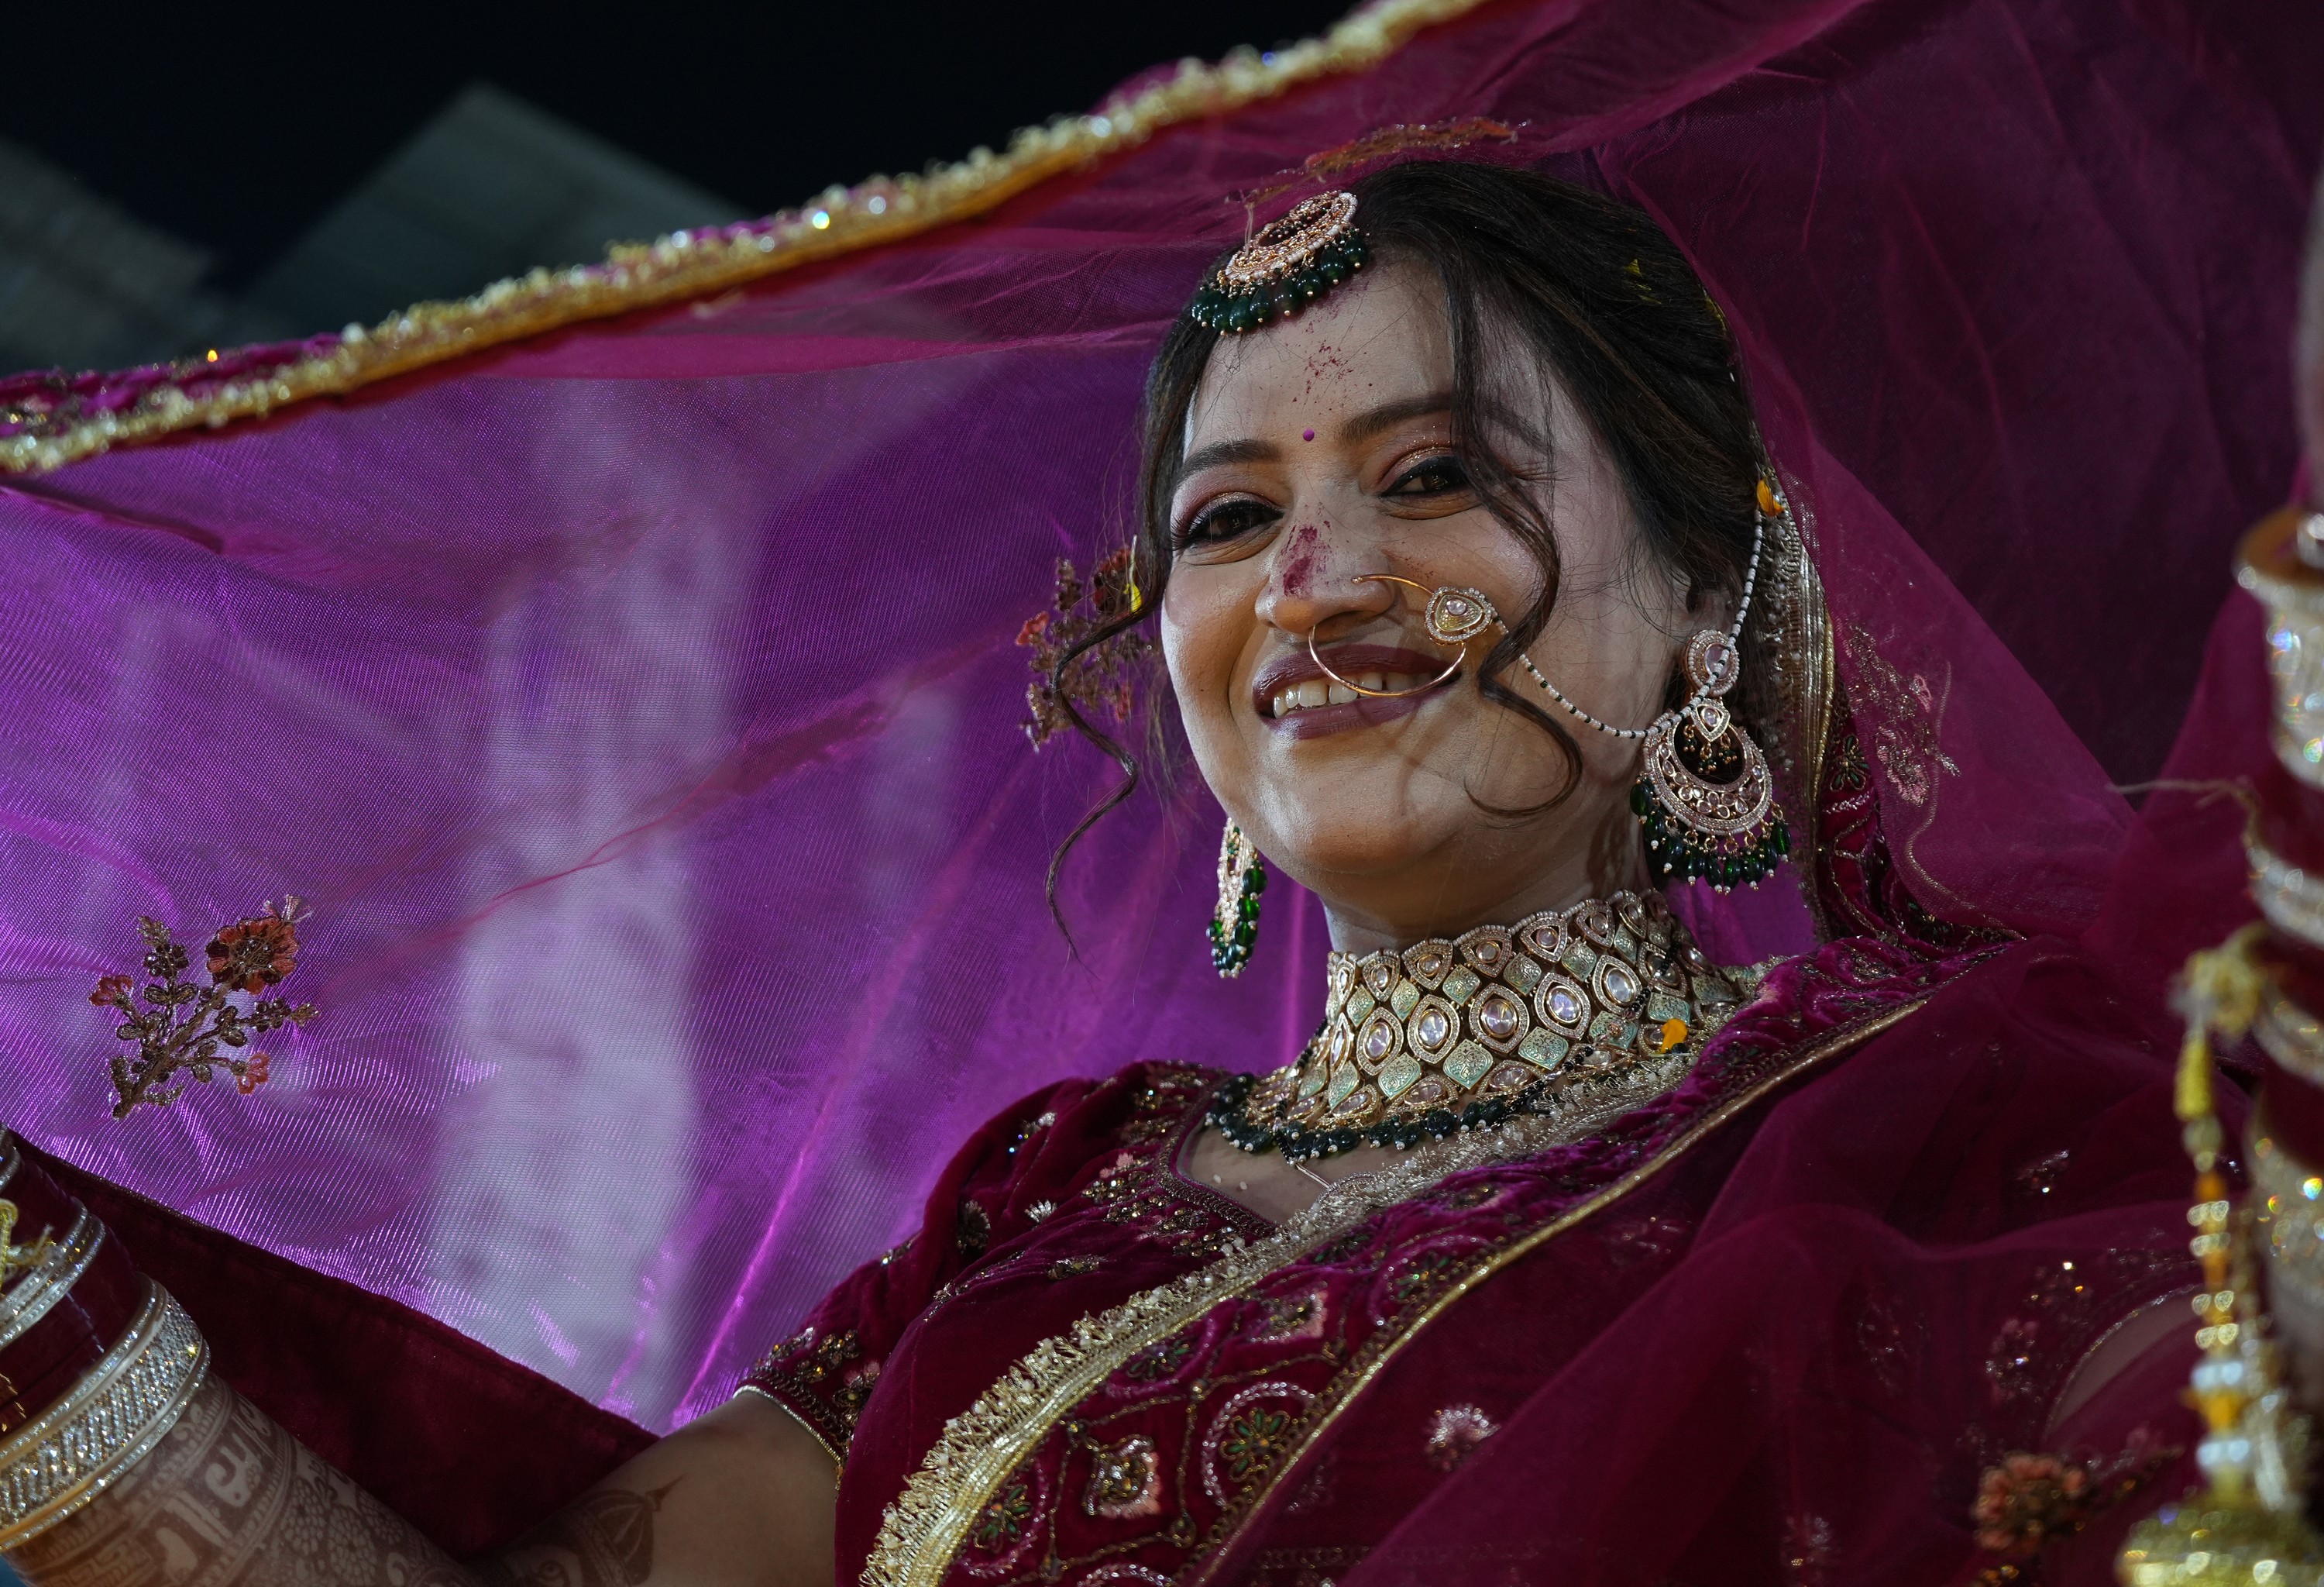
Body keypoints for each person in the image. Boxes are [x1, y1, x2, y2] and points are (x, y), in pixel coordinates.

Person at [0, 155, 2257, 1586]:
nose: (1314, 580)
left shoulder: (1945, 1104)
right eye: (1230, 519)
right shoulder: (1053, 1200)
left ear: (1706, 610)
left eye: (1434, 475)